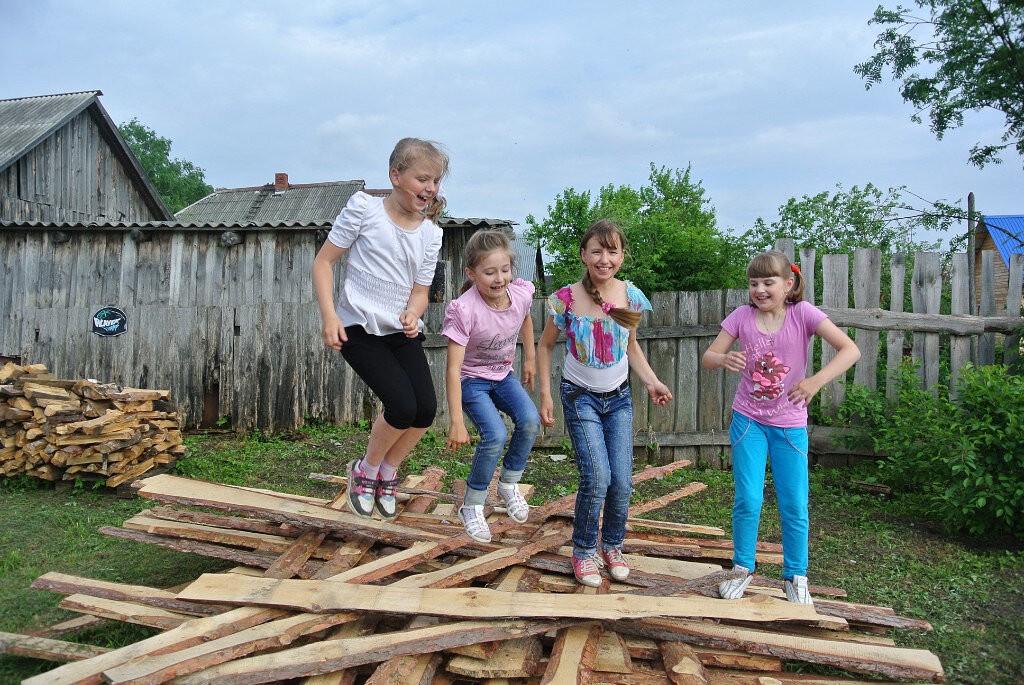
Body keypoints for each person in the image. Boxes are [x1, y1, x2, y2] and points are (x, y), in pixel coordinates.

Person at [702, 250, 860, 604]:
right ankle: (742, 569)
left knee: (794, 502)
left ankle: (795, 576)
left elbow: (850, 350)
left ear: (788, 284)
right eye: (753, 283)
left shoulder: (803, 314)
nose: (760, 289)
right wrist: (723, 357)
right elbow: (708, 357)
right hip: (748, 421)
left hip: (790, 425)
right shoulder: (741, 317)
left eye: (768, 282)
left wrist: (816, 381)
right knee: (749, 498)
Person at [312, 138, 448, 520]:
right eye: (423, 178)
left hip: (400, 332)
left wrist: (413, 311)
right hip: (358, 327)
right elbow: (323, 264)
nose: (430, 188)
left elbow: (421, 292)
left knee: (425, 411)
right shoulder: (364, 210)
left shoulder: (430, 235)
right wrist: (329, 316)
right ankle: (365, 471)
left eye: (435, 181)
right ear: (395, 175)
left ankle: (388, 473)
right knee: (402, 406)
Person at [537, 219, 673, 587]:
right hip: (579, 397)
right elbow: (546, 345)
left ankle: (612, 546)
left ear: (622, 256)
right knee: (597, 477)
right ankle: (583, 551)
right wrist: (546, 394)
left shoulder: (630, 297)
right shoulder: (565, 299)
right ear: (584, 254)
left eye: (612, 251)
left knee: (622, 482)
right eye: (596, 250)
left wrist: (652, 381)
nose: (604, 258)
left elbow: (631, 348)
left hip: (619, 400)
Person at [442, 230, 540, 543]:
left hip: (503, 375)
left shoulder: (520, 293)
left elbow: (524, 318)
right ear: (471, 274)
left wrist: (530, 358)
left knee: (529, 420)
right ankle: (471, 505)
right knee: (495, 435)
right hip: (472, 380)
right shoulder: (464, 309)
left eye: (504, 270)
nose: (499, 279)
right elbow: (453, 367)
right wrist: (457, 422)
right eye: (489, 273)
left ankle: (509, 484)